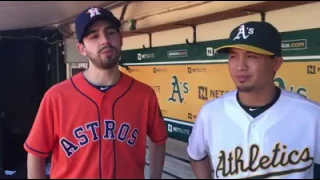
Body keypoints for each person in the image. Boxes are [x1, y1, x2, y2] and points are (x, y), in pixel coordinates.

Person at [24, 6, 168, 179]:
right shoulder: (56, 97)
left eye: (111, 32)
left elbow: (159, 140)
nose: (105, 40)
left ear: (120, 39)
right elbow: (36, 153)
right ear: (81, 49)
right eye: (94, 36)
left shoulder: (144, 95)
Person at [187, 21, 320, 179]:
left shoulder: (312, 115)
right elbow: (197, 156)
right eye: (233, 56)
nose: (240, 66)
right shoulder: (210, 112)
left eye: (252, 56)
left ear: (276, 63)